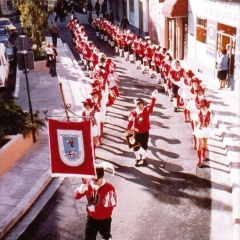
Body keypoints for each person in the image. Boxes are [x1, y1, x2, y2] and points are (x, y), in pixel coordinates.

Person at [74, 163, 117, 240]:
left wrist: (95, 208)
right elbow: (76, 197)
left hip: (104, 220)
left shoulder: (109, 188)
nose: (94, 182)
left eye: (96, 180)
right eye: (92, 179)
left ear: (102, 177)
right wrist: (80, 191)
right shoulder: (87, 182)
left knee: (106, 237)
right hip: (91, 219)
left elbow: (110, 207)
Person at [125, 90, 158, 166]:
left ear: (143, 104)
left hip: (145, 132)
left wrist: (153, 97)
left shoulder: (146, 110)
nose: (140, 106)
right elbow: (130, 122)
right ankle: (137, 158)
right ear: (136, 106)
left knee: (144, 146)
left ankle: (144, 158)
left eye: (141, 104)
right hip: (136, 132)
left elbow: (152, 105)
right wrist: (127, 132)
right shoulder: (133, 113)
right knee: (135, 147)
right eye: (138, 105)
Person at [193, 98, 214, 166]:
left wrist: (212, 131)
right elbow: (192, 109)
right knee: (199, 145)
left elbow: (212, 123)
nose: (203, 108)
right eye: (202, 106)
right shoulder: (199, 112)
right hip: (200, 129)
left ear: (207, 106)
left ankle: (203, 155)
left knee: (205, 144)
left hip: (206, 130)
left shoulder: (209, 113)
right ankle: (199, 159)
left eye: (204, 106)